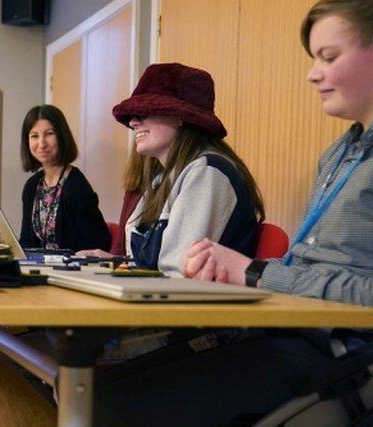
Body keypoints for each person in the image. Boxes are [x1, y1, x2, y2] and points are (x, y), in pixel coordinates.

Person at [90, 0, 373, 427]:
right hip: (291, 336)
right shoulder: (344, 151)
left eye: (327, 56)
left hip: (343, 355)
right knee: (88, 395)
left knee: (95, 422)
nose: (312, 74)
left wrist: (253, 271)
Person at [93, 63, 265, 277]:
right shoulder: (165, 177)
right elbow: (149, 263)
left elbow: (178, 272)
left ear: (179, 116)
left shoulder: (208, 173)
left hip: (193, 307)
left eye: (143, 113)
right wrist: (114, 262)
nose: (133, 122)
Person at [18, 104, 111, 252]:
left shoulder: (75, 185)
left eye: (49, 134)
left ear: (61, 136)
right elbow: (26, 241)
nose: (41, 143)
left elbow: (99, 242)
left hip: (72, 270)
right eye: (34, 136)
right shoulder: (32, 186)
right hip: (39, 268)